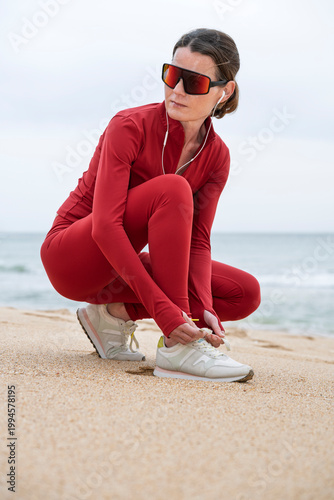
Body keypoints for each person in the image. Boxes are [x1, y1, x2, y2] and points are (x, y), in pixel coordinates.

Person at [40, 28, 261, 382]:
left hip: (119, 271)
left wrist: (201, 305)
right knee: (172, 189)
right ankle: (177, 349)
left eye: (195, 82)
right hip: (74, 256)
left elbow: (197, 241)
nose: (177, 90)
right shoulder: (129, 126)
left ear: (225, 91)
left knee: (242, 293)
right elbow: (105, 227)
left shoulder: (217, 156)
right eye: (172, 75)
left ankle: (111, 316)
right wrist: (171, 317)